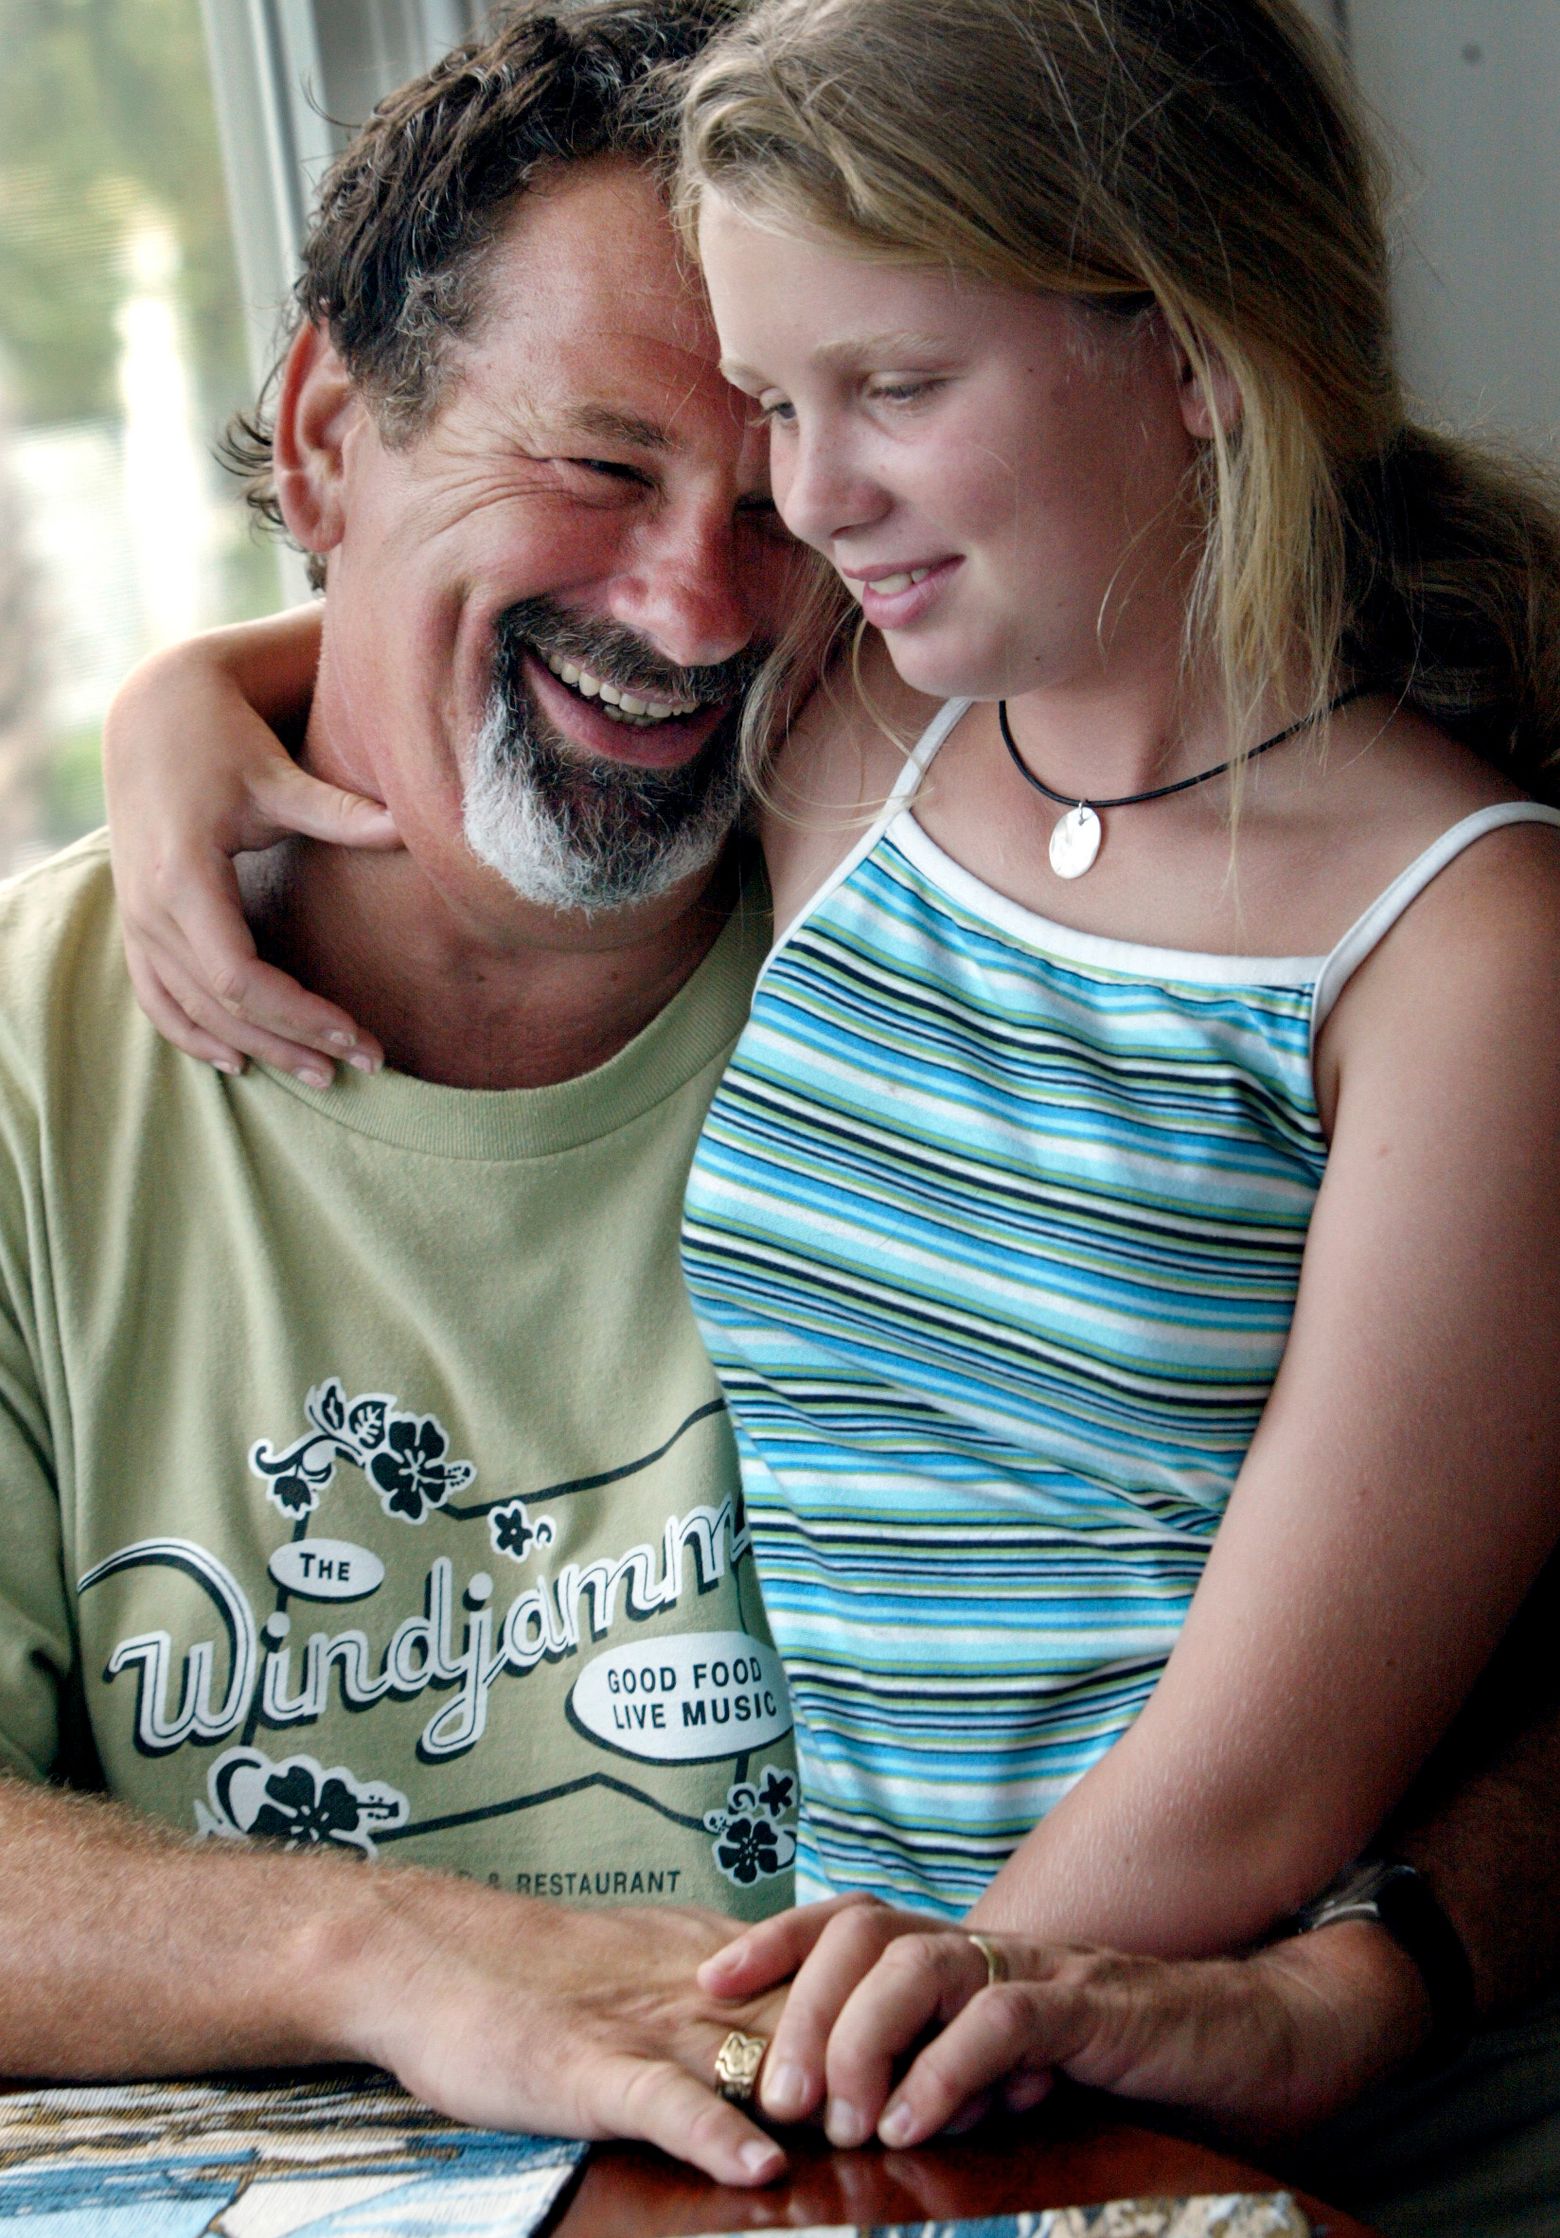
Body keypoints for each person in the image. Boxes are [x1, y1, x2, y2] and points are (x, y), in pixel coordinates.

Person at [97, 2, 1560, 2229]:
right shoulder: (878, 738)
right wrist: (188, 701)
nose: (796, 501)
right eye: (777, 405)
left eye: (889, 391)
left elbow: (1267, 1788)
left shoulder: (1465, 945)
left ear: (1190, 346)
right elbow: (519, 636)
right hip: (944, 2092)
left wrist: (875, 2065)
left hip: (1259, 2119)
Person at [0, 0, 835, 2188]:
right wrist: (388, 1955)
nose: (697, 601)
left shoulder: (979, 968)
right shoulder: (26, 1054)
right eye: (598, 465)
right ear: (321, 435)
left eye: (784, 500)